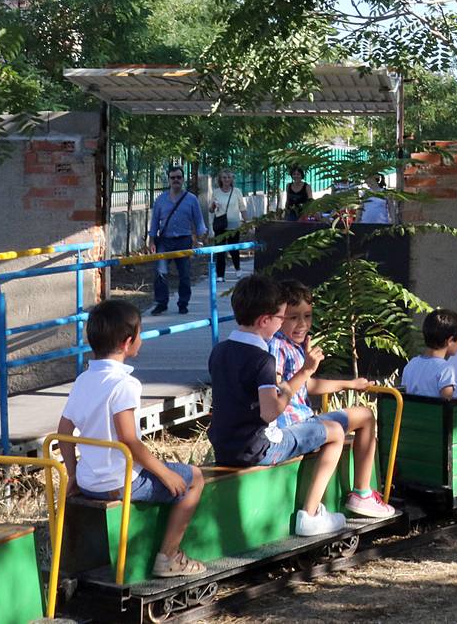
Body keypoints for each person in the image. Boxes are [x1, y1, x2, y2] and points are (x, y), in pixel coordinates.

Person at [57, 300, 206, 578]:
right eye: (140, 334)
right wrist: (165, 474)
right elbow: (129, 440)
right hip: (119, 481)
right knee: (194, 478)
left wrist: (74, 475)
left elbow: (63, 433)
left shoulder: (83, 380)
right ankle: (170, 556)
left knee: (169, 473)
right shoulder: (125, 384)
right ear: (128, 342)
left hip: (89, 481)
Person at [207, 275, 347, 537]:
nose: (284, 322)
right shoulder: (263, 359)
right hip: (258, 449)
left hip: (224, 446)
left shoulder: (220, 350)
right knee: (336, 432)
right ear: (265, 321)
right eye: (281, 317)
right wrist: (303, 374)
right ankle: (312, 514)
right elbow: (270, 411)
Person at [268, 281, 395, 518]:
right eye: (293, 317)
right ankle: (355, 495)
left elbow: (307, 386)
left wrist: (350, 384)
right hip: (293, 426)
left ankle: (362, 493)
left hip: (304, 420)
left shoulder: (292, 346)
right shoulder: (277, 345)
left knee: (365, 414)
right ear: (278, 318)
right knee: (353, 423)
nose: (303, 324)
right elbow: (277, 388)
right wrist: (306, 369)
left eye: (307, 316)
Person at [147, 166, 207, 315]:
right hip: (165, 241)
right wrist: (151, 240)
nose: (176, 180)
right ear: (168, 180)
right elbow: (154, 221)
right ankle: (161, 303)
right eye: (173, 178)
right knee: (160, 272)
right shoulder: (160, 199)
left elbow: (199, 221)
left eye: (179, 177)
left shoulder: (191, 199)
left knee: (184, 274)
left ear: (183, 179)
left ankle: (183, 303)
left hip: (183, 240)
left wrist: (201, 238)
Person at [401, 309, 457, 398]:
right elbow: (447, 405)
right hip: (435, 412)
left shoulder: (411, 364)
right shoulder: (445, 369)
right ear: (450, 341)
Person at [209, 168, 245, 282]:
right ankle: (220, 275)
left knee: (234, 248)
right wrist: (214, 206)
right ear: (220, 179)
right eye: (224, 177)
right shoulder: (216, 192)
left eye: (229, 177)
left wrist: (248, 222)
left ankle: (237, 268)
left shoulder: (237, 191)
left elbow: (242, 208)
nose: (226, 180)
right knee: (220, 250)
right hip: (220, 225)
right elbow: (210, 210)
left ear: (232, 179)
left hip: (234, 225)